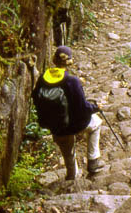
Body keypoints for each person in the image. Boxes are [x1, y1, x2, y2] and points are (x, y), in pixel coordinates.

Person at [32, 45, 105, 179]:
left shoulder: (43, 78)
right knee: (96, 123)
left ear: (54, 60)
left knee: (68, 153)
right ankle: (93, 161)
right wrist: (96, 107)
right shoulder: (72, 81)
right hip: (76, 124)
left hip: (57, 127)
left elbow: (35, 97)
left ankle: (72, 176)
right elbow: (83, 108)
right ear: (69, 62)